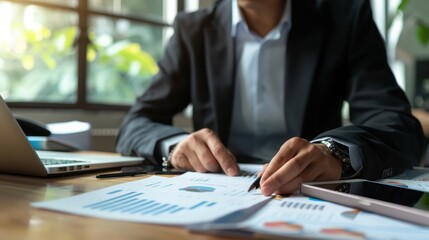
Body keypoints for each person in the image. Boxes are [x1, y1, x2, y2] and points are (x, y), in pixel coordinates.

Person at [116, 0, 425, 196]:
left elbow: (397, 124)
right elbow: (137, 123)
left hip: (310, 197)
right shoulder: (192, 30)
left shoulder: (346, 21)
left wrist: (335, 153)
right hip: (217, 194)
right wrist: (174, 147)